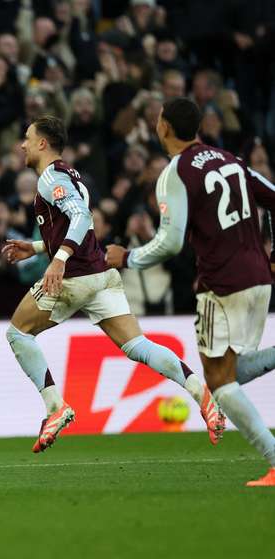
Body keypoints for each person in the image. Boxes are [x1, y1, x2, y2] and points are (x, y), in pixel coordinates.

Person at [2, 115, 223, 454]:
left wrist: (58, 260)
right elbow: (76, 229)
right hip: (102, 275)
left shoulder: (50, 178)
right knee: (138, 346)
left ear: (43, 143)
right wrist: (33, 248)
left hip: (74, 278)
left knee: (18, 333)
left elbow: (81, 218)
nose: (23, 145)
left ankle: (54, 407)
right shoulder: (74, 177)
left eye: (28, 138)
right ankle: (202, 395)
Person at [106, 98, 275, 487]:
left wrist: (127, 257)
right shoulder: (230, 159)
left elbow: (170, 242)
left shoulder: (176, 171)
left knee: (218, 381)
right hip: (260, 279)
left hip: (222, 283)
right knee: (231, 371)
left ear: (163, 127)